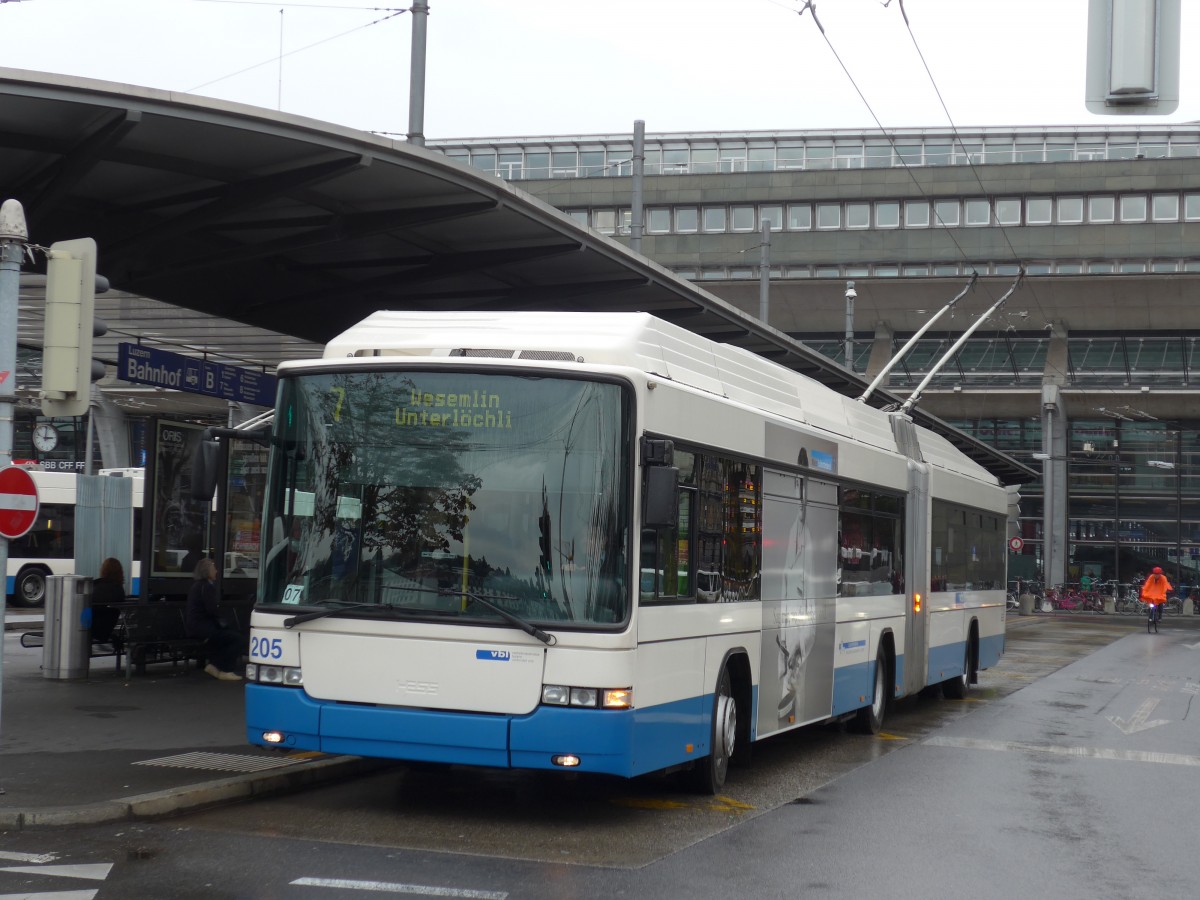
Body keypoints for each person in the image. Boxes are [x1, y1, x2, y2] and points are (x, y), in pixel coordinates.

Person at [186, 558, 243, 680]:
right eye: (214, 569)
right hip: (204, 629)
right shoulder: (207, 587)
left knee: (225, 638)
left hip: (196, 628)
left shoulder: (197, 586)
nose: (216, 571)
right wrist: (224, 623)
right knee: (236, 639)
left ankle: (215, 666)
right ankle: (225, 669)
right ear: (207, 572)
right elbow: (212, 610)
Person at [91, 557, 125, 644]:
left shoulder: (96, 586)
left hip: (91, 630)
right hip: (107, 629)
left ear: (104, 570)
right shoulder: (119, 590)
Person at [1140, 565, 1172, 633]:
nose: (1156, 575)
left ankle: (1160, 616)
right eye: (1155, 574)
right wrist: (1144, 591)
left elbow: (1164, 586)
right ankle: (1150, 615)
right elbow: (1147, 585)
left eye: (1157, 574)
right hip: (1152, 592)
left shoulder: (1163, 578)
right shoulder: (1151, 577)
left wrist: (1163, 594)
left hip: (1160, 592)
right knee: (1150, 604)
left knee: (1160, 603)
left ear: (1160, 574)